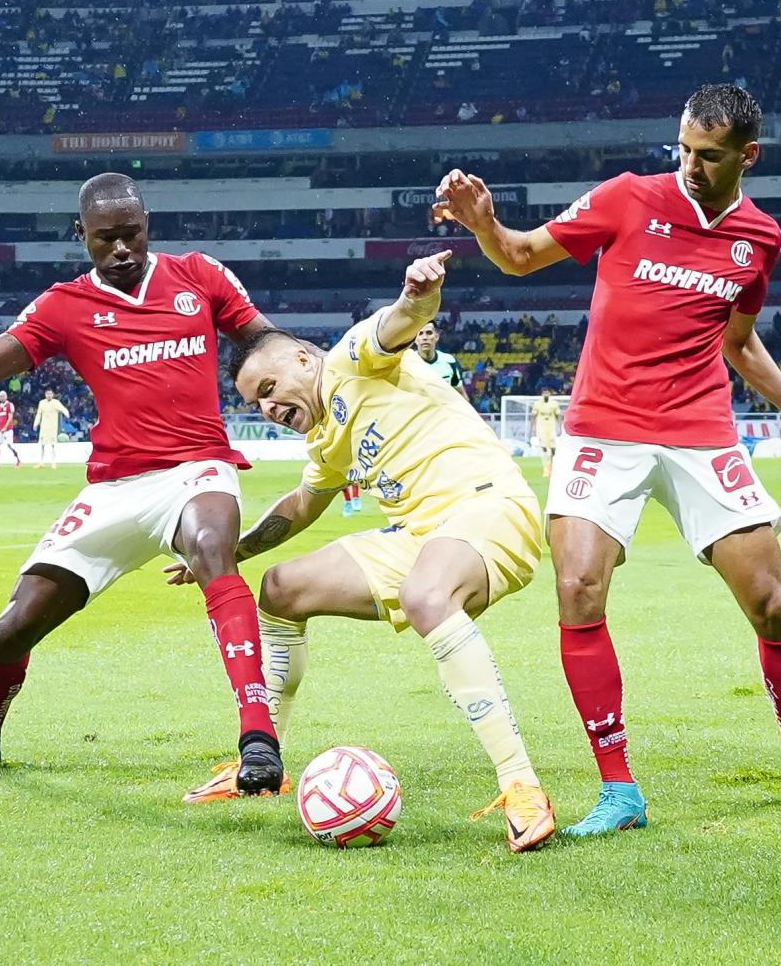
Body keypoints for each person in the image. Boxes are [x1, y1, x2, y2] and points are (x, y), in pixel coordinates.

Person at [434, 83, 781, 835]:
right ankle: (619, 791)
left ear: (747, 156)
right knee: (579, 589)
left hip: (700, 430)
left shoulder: (758, 238)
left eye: (708, 156)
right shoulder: (626, 198)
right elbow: (518, 256)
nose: (690, 166)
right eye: (682, 148)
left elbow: (737, 344)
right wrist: (485, 224)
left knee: (773, 606)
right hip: (602, 428)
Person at [0, 174, 286, 797]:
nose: (122, 249)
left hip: (197, 469)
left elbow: (264, 338)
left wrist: (303, 375)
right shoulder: (62, 307)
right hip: (114, 489)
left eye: (131, 234)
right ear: (82, 237)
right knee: (13, 626)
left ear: (147, 224)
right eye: (106, 239)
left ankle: (258, 739)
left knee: (212, 548)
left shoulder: (200, 276)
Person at [179, 250, 555, 852]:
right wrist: (230, 554)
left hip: (489, 507)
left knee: (426, 594)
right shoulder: (327, 437)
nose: (271, 409)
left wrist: (417, 294)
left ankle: (522, 787)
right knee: (280, 589)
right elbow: (302, 506)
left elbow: (402, 319)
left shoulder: (354, 358)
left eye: (272, 388)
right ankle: (261, 765)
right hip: (420, 537)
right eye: (258, 404)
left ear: (305, 358)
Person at [411, 319, 466, 393]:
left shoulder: (449, 361)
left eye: (429, 333)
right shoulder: (407, 362)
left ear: (436, 337)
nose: (425, 337)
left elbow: (461, 394)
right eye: (420, 334)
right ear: (415, 339)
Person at [33, 388, 66, 466]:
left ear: (52, 395)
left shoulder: (56, 402)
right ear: (45, 395)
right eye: (47, 394)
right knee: (42, 445)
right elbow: (39, 414)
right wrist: (35, 424)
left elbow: (62, 408)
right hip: (44, 427)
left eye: (50, 394)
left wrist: (66, 413)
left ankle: (53, 462)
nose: (49, 395)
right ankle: (41, 462)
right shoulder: (41, 403)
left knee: (53, 445)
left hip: (53, 427)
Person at [533, 388, 563, 471]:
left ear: (550, 394)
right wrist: (531, 428)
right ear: (542, 394)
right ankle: (546, 463)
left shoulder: (554, 404)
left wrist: (560, 426)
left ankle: (553, 460)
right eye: (544, 393)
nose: (545, 395)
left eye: (547, 393)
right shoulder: (537, 403)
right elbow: (533, 416)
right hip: (541, 426)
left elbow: (558, 416)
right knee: (543, 445)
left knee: (553, 445)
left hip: (551, 426)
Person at [0, 391, 22, 467]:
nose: (2, 397)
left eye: (3, 396)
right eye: (0, 396)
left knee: (9, 445)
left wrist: (5, 427)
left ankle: (18, 460)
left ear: (6, 396)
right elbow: (0, 418)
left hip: (8, 429)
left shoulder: (10, 405)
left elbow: (10, 418)